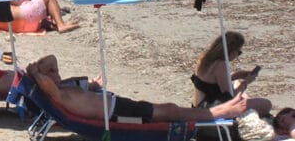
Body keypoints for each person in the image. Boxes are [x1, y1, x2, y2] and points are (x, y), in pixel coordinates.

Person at [26, 53, 249, 124]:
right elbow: (46, 76)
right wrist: (36, 72)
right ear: (43, 80)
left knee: (169, 108)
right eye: (51, 72)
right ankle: (221, 111)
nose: (57, 73)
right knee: (170, 112)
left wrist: (40, 69)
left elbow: (52, 58)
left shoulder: (60, 88)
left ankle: (221, 110)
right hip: (116, 114)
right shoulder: (57, 93)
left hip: (116, 106)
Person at [192, 32, 271, 115]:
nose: (237, 56)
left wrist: (235, 76)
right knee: (266, 104)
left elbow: (210, 84)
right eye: (238, 52)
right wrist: (246, 82)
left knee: (237, 82)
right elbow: (229, 98)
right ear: (231, 51)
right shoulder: (221, 64)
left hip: (198, 105)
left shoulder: (205, 59)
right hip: (211, 109)